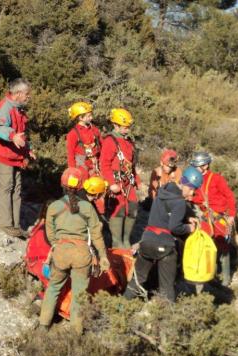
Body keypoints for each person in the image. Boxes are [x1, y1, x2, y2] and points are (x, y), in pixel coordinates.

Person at [39, 168, 110, 333]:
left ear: (62, 184)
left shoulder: (54, 206)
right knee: (79, 294)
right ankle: (75, 332)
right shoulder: (87, 207)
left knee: (53, 287)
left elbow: (49, 233)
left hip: (61, 253)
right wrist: (103, 256)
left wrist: (57, 244)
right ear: (81, 187)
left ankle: (43, 325)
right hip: (82, 255)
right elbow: (96, 235)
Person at [124, 167, 203, 302]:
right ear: (184, 183)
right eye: (191, 189)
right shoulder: (180, 202)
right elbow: (174, 227)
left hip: (147, 242)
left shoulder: (161, 193)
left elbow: (162, 216)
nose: (192, 193)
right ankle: (168, 319)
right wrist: (188, 228)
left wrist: (186, 217)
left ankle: (119, 307)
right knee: (166, 288)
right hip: (165, 246)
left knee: (137, 280)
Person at [0, 78, 36, 237]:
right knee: (6, 188)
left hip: (17, 156)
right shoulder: (5, 108)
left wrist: (28, 149)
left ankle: (15, 225)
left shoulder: (19, 108)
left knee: (16, 190)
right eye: (27, 94)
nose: (28, 97)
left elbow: (21, 134)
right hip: (5, 156)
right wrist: (12, 136)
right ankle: (5, 224)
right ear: (18, 94)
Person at [190, 151, 236, 286]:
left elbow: (229, 196)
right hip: (206, 218)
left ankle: (226, 279)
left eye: (197, 166)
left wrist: (232, 214)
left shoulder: (217, 179)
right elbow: (196, 198)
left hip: (220, 218)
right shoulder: (196, 181)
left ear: (205, 165)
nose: (195, 169)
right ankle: (211, 275)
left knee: (223, 247)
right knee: (207, 247)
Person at [100, 108, 140, 248]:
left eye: (128, 127)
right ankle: (117, 242)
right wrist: (111, 183)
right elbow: (104, 164)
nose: (127, 130)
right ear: (115, 125)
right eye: (124, 127)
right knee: (119, 211)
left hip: (129, 182)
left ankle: (126, 239)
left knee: (133, 209)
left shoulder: (128, 141)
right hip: (116, 182)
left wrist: (137, 181)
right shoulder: (110, 141)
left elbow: (132, 163)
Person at [66, 102, 102, 176]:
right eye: (88, 116)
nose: (91, 118)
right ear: (80, 118)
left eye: (91, 115)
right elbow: (70, 154)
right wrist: (73, 172)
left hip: (97, 166)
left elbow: (102, 146)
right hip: (81, 169)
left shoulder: (94, 130)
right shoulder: (72, 134)